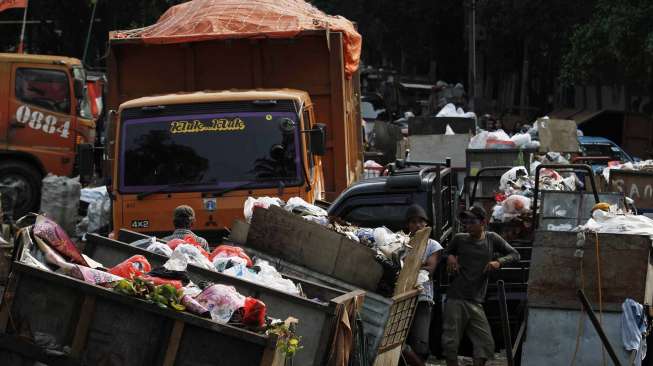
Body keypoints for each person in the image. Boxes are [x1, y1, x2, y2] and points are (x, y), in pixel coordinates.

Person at [442, 206, 520, 366]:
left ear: (483, 222)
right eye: (466, 222)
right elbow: (444, 252)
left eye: (472, 221)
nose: (468, 225)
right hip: (456, 297)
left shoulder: (491, 239)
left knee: (485, 343)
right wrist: (450, 257)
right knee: (450, 342)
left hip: (476, 300)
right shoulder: (459, 239)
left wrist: (498, 262)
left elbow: (515, 254)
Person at [402, 204, 443, 366]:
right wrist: (420, 264)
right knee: (401, 342)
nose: (418, 225)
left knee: (420, 343)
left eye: (421, 222)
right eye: (413, 222)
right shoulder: (401, 242)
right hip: (402, 298)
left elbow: (430, 269)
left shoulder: (432, 245)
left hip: (422, 298)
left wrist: (409, 265)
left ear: (426, 224)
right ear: (408, 225)